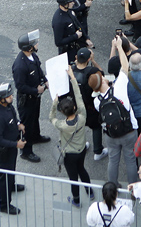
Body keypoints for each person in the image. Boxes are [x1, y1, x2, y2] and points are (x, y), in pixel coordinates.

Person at [92, 36, 139, 185]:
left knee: (113, 160)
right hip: (129, 130)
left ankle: (112, 187)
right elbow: (125, 67)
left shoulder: (96, 101)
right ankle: (132, 189)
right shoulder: (118, 87)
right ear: (104, 80)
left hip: (111, 134)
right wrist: (119, 46)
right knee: (131, 160)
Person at [50, 67, 93, 207]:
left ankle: (76, 200)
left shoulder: (62, 125)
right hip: (81, 150)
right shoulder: (82, 117)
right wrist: (72, 78)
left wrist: (54, 103)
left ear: (63, 112)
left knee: (73, 177)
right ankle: (90, 191)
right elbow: (79, 96)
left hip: (69, 154)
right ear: (74, 108)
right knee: (82, 170)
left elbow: (52, 118)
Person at [0, 83, 26, 215]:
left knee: (11, 171)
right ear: (1, 99)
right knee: (4, 178)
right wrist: (16, 145)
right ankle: (3, 204)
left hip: (10, 148)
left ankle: (11, 186)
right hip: (3, 152)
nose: (11, 96)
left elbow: (13, 115)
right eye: (8, 95)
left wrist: (18, 124)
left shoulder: (7, 105)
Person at [11, 30, 50, 164]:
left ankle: (36, 136)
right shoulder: (20, 65)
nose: (37, 44)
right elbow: (20, 86)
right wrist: (35, 90)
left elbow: (39, 70)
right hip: (26, 100)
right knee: (27, 124)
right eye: (34, 43)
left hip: (35, 97)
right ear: (29, 48)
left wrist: (44, 80)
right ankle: (26, 152)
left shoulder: (33, 57)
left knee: (35, 118)